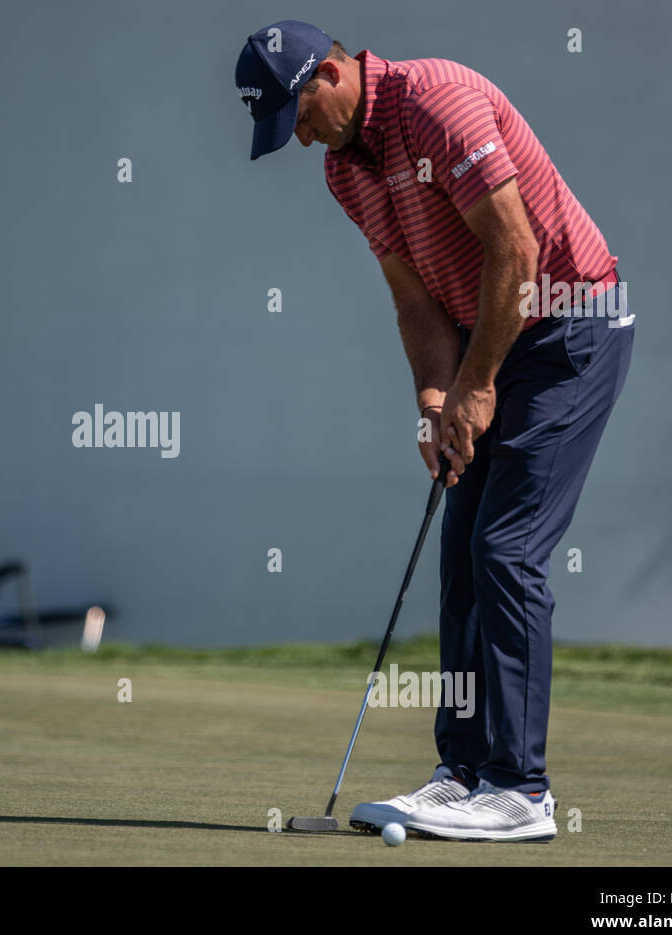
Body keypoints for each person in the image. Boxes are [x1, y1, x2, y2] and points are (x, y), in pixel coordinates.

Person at [236, 20, 634, 841]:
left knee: (506, 548)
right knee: (461, 557)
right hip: (495, 340)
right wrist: (434, 401)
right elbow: (416, 301)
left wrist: (478, 384)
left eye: (300, 115)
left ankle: (521, 792)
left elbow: (516, 252)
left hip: (569, 329)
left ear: (334, 72)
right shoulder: (346, 173)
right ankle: (462, 773)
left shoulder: (436, 101)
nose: (302, 137)